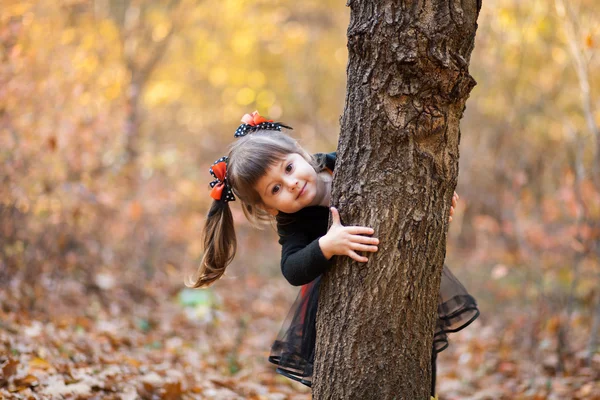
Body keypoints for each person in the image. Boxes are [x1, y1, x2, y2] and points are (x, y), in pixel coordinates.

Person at [191, 111, 480, 398]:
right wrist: (326, 245)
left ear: (300, 154)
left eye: (289, 168)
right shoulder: (292, 221)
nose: (291, 183)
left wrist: (436, 204)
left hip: (401, 271)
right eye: (275, 188)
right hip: (347, 295)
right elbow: (291, 268)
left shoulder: (346, 160)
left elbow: (403, 183)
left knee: (417, 340)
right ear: (269, 207)